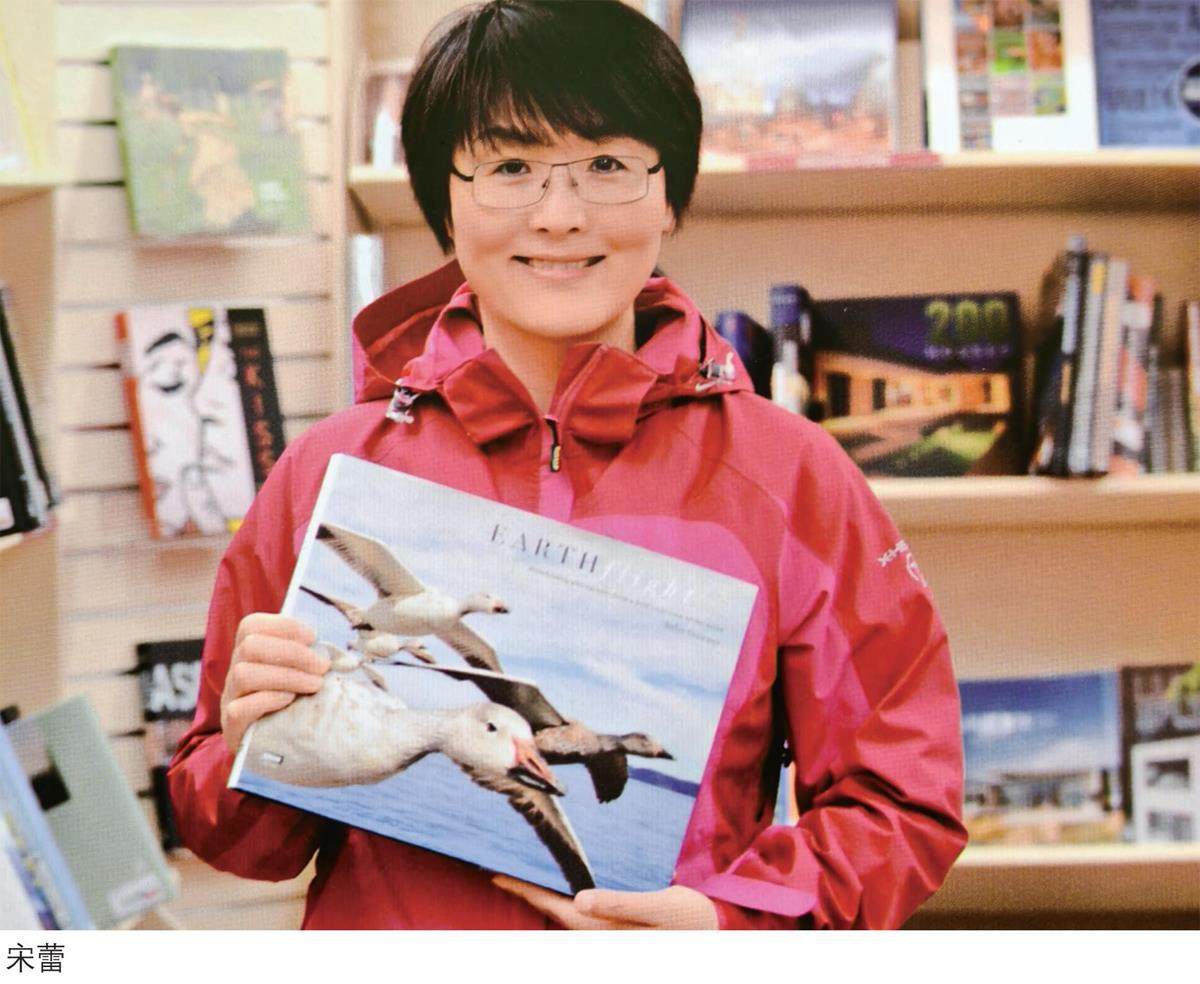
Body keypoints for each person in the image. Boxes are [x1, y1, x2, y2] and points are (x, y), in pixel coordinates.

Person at [168, 0, 966, 930]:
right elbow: (237, 841)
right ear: (443, 199)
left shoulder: (793, 481)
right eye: (509, 167)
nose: (559, 215)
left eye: (607, 166)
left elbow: (902, 803)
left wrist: (734, 924)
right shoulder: (328, 471)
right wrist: (250, 741)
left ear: (671, 195)